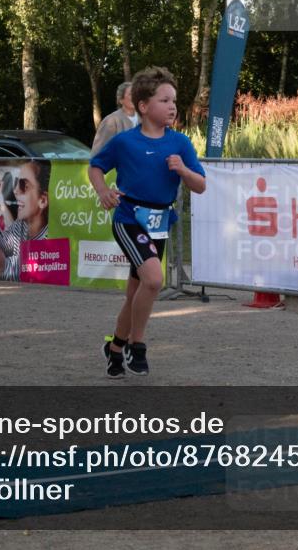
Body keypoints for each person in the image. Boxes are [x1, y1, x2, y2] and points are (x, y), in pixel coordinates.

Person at [89, 67, 206, 378]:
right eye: (164, 100)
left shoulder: (179, 143)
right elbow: (96, 166)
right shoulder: (125, 142)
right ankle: (136, 346)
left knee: (135, 294)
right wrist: (103, 191)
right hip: (129, 218)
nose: (172, 106)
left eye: (174, 101)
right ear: (143, 106)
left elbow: (201, 185)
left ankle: (114, 349)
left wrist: (183, 170)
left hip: (159, 221)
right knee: (154, 280)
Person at [0, 160, 50, 282]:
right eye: (16, 184)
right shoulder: (21, 226)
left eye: (24, 186)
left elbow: (3, 268)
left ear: (42, 200)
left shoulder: (49, 238)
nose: (15, 190)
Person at [92, 81, 138, 154]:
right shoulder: (111, 121)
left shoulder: (145, 119)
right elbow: (98, 152)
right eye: (130, 94)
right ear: (121, 100)